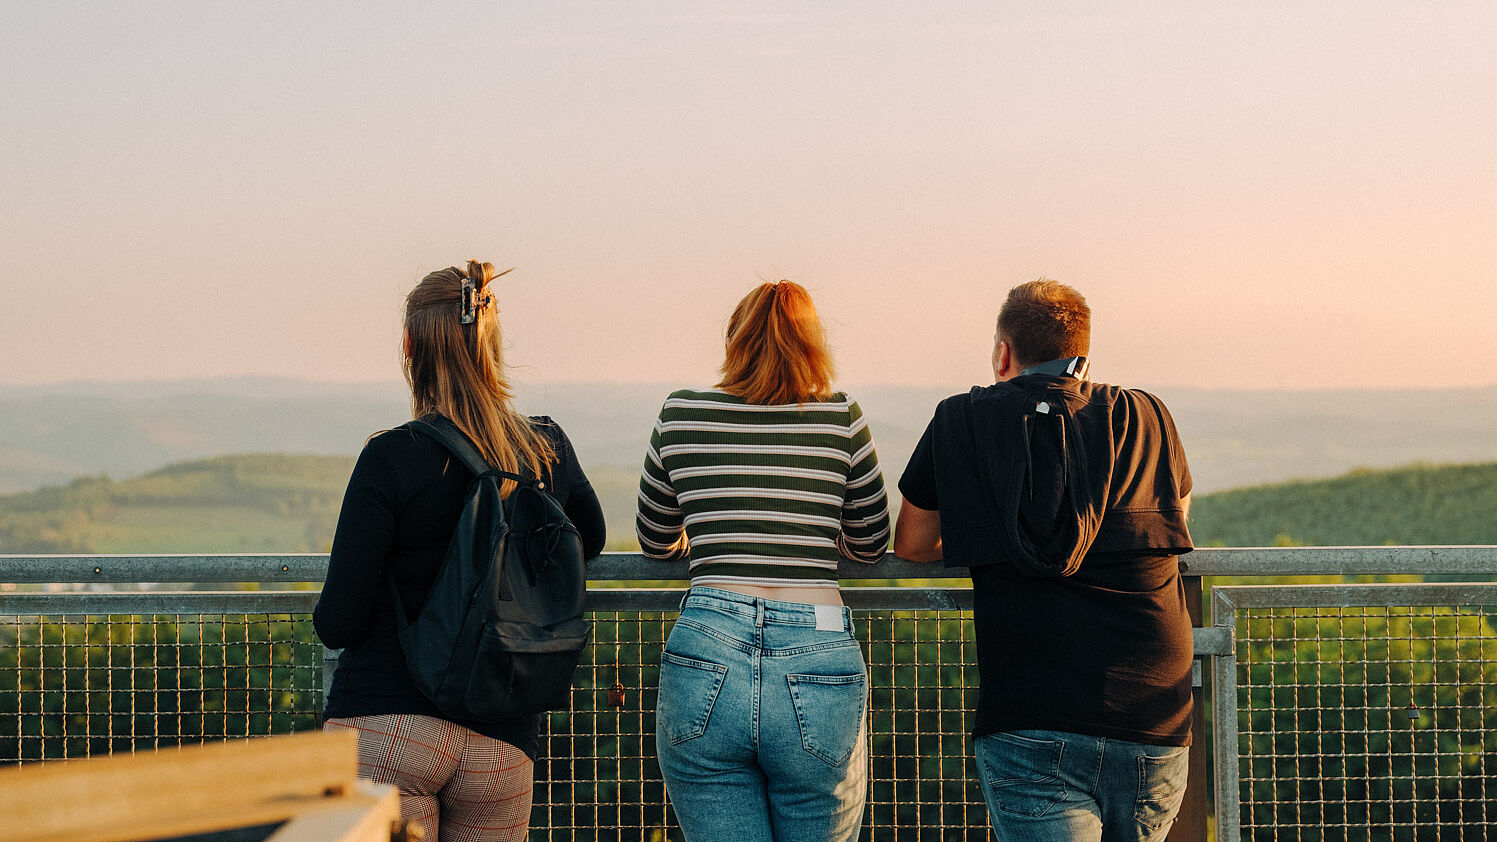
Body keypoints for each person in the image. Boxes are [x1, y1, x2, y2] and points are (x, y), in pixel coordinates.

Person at [314, 260, 606, 842]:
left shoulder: (391, 458)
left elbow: (339, 622)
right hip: (503, 737)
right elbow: (589, 539)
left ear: (409, 346)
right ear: (493, 342)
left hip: (386, 726)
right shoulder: (544, 448)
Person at [893, 280, 1194, 842]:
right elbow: (1176, 515)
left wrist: (994, 540)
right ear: (1084, 355)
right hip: (1152, 715)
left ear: (1003, 353)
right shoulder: (1147, 415)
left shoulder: (961, 418)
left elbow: (910, 542)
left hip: (1031, 709)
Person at [636, 280, 890, 842]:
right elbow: (871, 541)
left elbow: (656, 539)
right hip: (818, 642)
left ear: (735, 341)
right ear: (812, 345)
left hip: (707, 640)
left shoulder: (680, 412)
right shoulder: (841, 416)